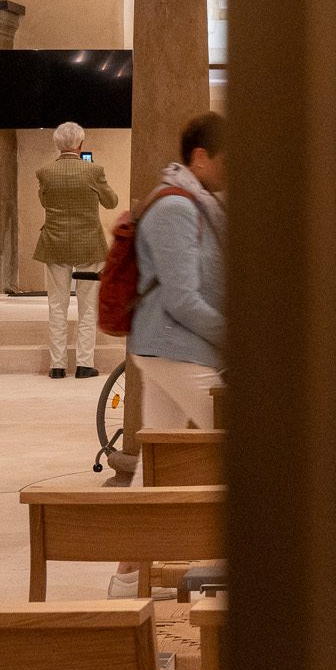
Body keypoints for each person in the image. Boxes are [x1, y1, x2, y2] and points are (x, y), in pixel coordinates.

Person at [129, 110, 226, 430]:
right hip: (175, 345)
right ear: (201, 157)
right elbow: (181, 299)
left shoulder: (197, 202)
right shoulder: (176, 208)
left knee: (158, 451)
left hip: (167, 345)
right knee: (238, 437)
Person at [34, 121, 118, 379]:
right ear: (80, 144)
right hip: (88, 244)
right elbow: (111, 202)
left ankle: (57, 366)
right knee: (88, 306)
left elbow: (44, 201)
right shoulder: (94, 171)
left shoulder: (44, 172)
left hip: (55, 244)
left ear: (57, 144)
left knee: (57, 306)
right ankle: (84, 364)